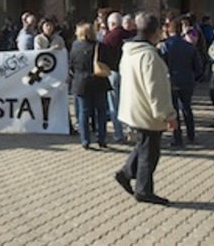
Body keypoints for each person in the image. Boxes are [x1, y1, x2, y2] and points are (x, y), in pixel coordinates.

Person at [115, 12, 177, 206]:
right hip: (147, 111)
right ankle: (143, 190)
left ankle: (126, 173)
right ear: (156, 32)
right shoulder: (149, 55)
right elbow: (156, 89)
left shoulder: (129, 51)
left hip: (133, 107)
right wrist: (167, 114)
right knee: (149, 154)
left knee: (143, 145)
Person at [159, 17, 202, 146]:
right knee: (187, 107)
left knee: (174, 111)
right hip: (187, 80)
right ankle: (191, 135)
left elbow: (161, 64)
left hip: (171, 80)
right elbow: (198, 67)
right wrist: (193, 77)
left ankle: (177, 138)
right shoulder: (189, 46)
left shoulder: (165, 45)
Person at [69, 22, 111, 150]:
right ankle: (101, 138)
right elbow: (106, 62)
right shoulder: (99, 46)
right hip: (98, 81)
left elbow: (71, 65)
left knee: (83, 112)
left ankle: (85, 140)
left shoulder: (75, 46)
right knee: (101, 111)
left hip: (81, 82)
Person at [103, 12, 134, 143]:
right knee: (129, 103)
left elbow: (102, 56)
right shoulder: (132, 35)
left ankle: (118, 133)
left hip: (113, 73)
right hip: (129, 74)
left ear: (113, 24)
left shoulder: (108, 38)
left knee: (114, 106)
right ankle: (131, 130)